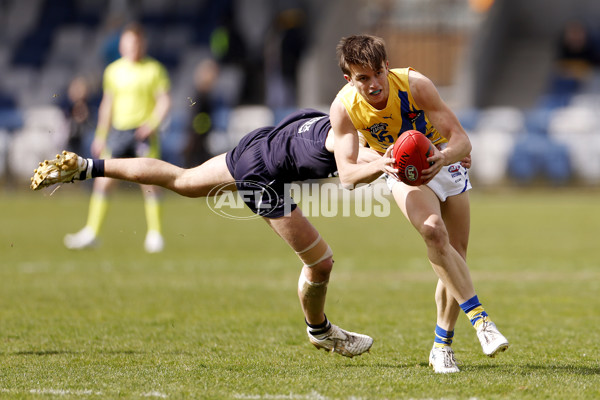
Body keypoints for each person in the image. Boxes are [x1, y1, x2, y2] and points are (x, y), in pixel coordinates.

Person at [31, 108, 374, 358]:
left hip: (255, 145)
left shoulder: (338, 108)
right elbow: (351, 173)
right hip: (261, 175)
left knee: (182, 180)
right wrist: (391, 164)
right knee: (321, 264)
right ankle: (320, 331)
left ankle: (88, 168)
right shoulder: (348, 137)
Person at [329, 34, 509, 373]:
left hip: (443, 162)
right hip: (400, 171)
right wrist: (379, 165)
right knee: (432, 231)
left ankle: (442, 346)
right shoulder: (344, 108)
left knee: (455, 255)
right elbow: (348, 175)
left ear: (386, 67)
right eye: (362, 78)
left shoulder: (414, 85)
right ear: (348, 79)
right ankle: (481, 320)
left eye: (378, 73)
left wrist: (443, 156)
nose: (373, 84)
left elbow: (462, 141)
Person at [64, 22, 171, 253]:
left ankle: (155, 234)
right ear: (122, 45)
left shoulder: (154, 70)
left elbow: (164, 101)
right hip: (118, 133)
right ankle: (92, 232)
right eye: (128, 43)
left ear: (142, 44)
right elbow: (107, 105)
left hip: (142, 133)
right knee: (103, 182)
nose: (132, 47)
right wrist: (101, 135)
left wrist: (152, 124)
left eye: (136, 43)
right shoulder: (113, 71)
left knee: (150, 183)